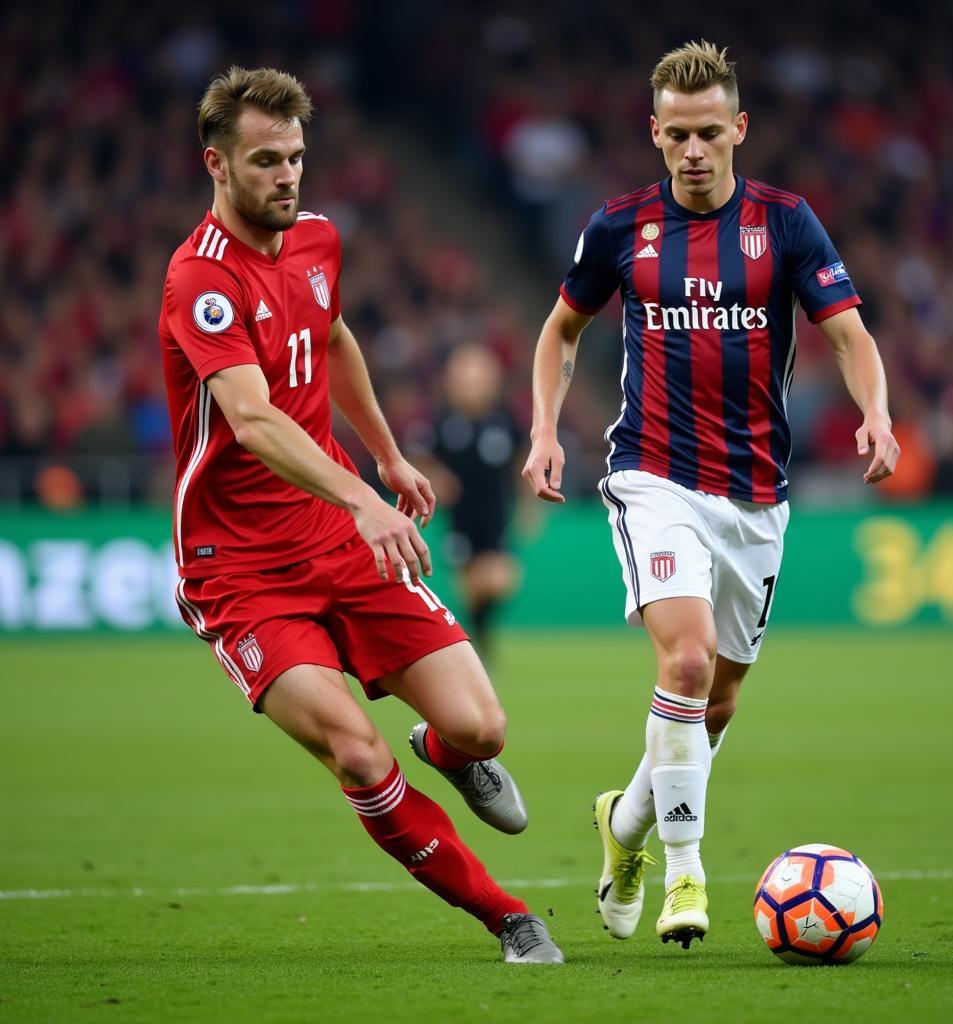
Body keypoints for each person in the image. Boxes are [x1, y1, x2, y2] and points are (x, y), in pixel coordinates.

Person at [158, 66, 562, 965]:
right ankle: (509, 917)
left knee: (481, 728)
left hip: (337, 533)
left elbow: (330, 336)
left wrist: (384, 453)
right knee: (354, 750)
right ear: (216, 165)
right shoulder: (200, 282)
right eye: (266, 161)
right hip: (240, 568)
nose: (288, 176)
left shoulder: (317, 240)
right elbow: (254, 418)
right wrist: (365, 497)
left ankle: (449, 756)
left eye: (297, 157)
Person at [522, 41, 899, 949]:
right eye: (676, 135)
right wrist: (542, 428)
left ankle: (623, 826)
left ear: (739, 129)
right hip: (653, 476)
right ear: (655, 134)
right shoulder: (620, 227)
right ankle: (687, 878)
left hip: (757, 496)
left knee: (714, 702)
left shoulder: (788, 223)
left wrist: (877, 415)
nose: (693, 150)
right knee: (684, 666)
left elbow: (847, 334)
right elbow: (560, 331)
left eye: (709, 133)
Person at [407, 343, 524, 662]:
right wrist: (437, 477)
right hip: (460, 519)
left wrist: (529, 503)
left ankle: (476, 629)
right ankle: (477, 641)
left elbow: (521, 459)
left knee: (502, 581)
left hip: (497, 516)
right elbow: (417, 456)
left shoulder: (504, 419)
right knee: (473, 584)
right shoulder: (441, 420)